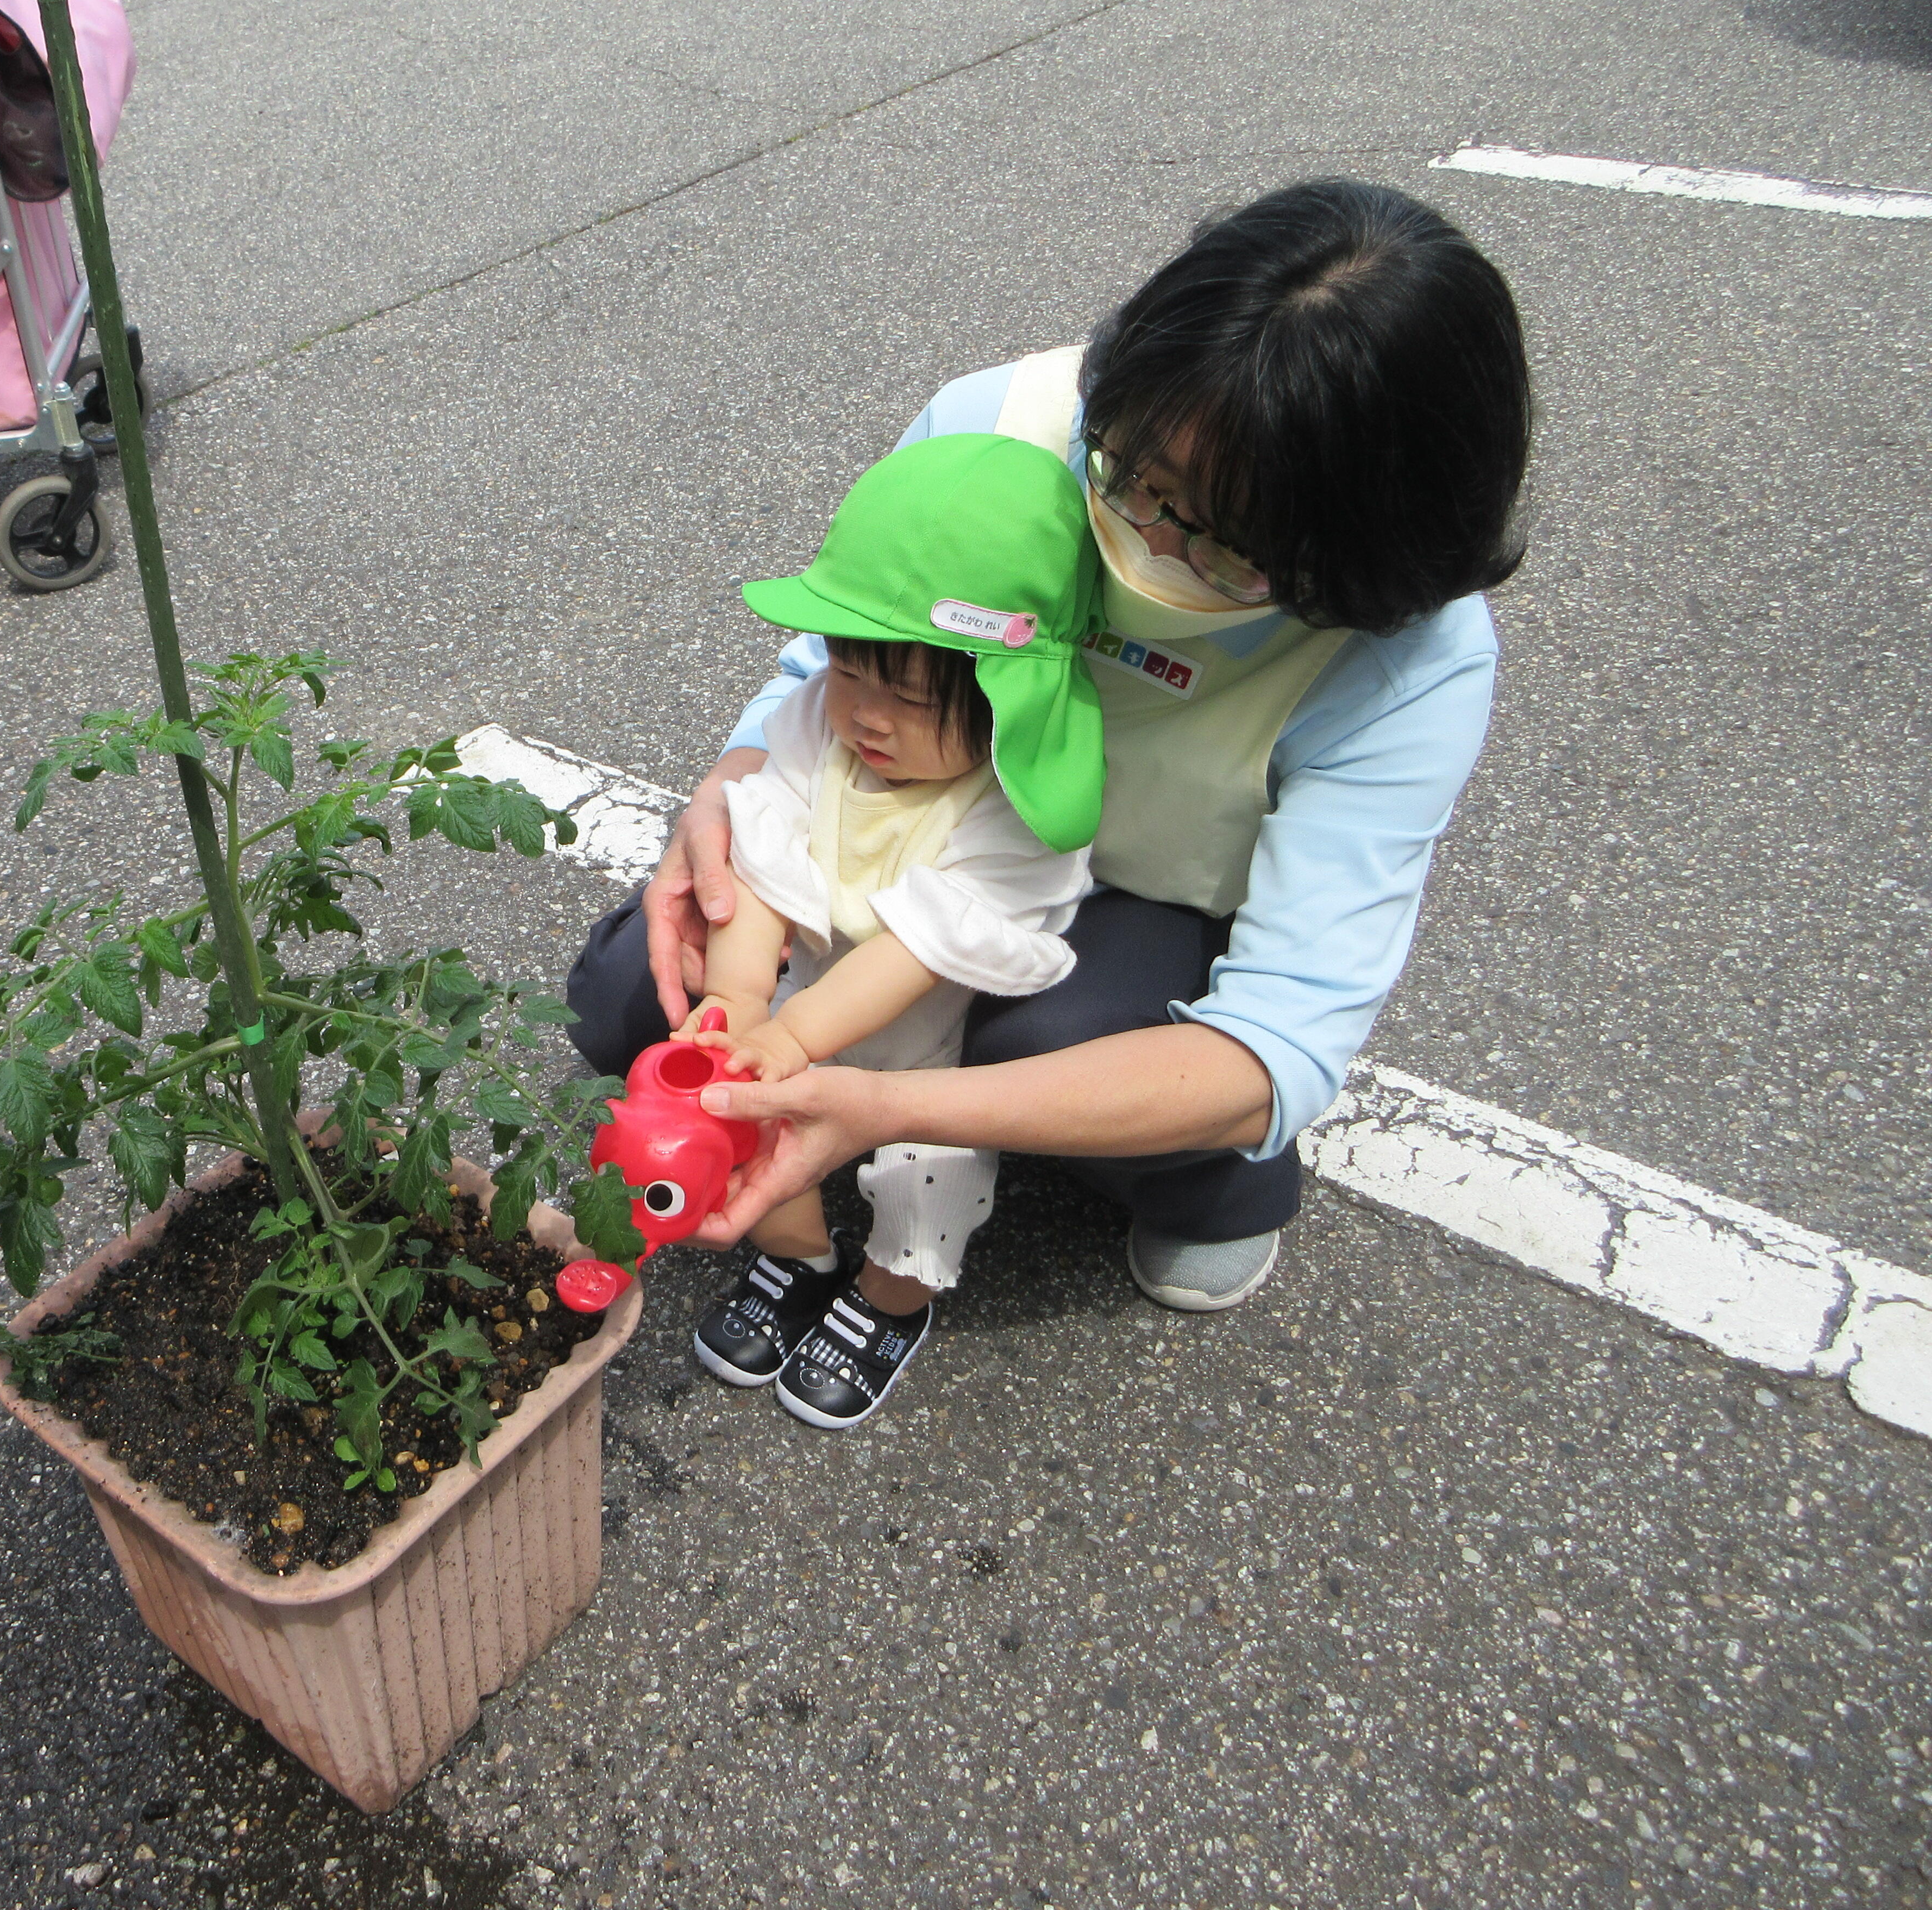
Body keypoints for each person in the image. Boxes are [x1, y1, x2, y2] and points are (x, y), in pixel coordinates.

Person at [567, 177, 1527, 1316]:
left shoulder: (1411, 656)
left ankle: (1212, 1186)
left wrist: (887, 1110)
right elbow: (827, 666)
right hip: (915, 817)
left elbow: (1275, 1041)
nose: (1151, 542)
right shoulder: (1004, 423)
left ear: (1363, 561)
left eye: (1228, 545)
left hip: (1139, 895)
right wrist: (728, 792)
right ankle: (962, 1104)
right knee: (643, 993)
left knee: (1056, 1029)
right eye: (1131, 476)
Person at [676, 435, 1099, 1429]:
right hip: (803, 994)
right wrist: (739, 1004)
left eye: (912, 698)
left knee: (926, 1170)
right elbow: (760, 860)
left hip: (922, 1041)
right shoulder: (818, 723)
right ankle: (796, 1257)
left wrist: (790, 1040)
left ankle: (888, 1299)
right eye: (853, 669)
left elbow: (918, 946)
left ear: (1007, 704)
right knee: (756, 1126)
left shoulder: (1012, 808)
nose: (867, 714)